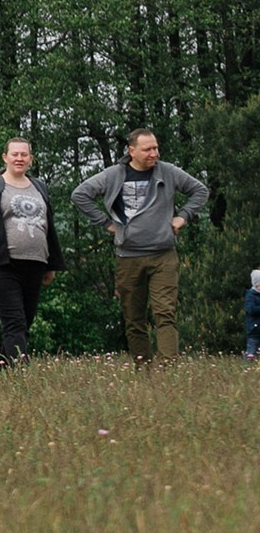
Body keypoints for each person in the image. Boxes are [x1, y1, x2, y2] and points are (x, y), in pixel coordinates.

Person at [70, 129, 208, 365]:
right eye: (147, 149)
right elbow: (80, 195)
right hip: (128, 255)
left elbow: (200, 191)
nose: (154, 153)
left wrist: (183, 216)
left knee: (165, 313)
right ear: (131, 151)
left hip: (163, 254)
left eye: (155, 148)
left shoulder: (168, 171)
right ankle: (143, 368)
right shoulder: (114, 174)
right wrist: (105, 223)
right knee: (134, 318)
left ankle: (168, 368)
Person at [0, 137, 64, 368]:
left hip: (35, 264)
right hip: (2, 264)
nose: (19, 158)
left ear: (30, 159)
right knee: (15, 322)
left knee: (23, 323)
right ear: (5, 157)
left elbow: (47, 225)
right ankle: (20, 374)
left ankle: (3, 371)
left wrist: (51, 264)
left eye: (24, 155)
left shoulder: (39, 187)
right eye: (15, 154)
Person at [243, 269, 260, 360]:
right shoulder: (250, 295)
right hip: (254, 330)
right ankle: (247, 369)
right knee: (251, 353)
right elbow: (250, 310)